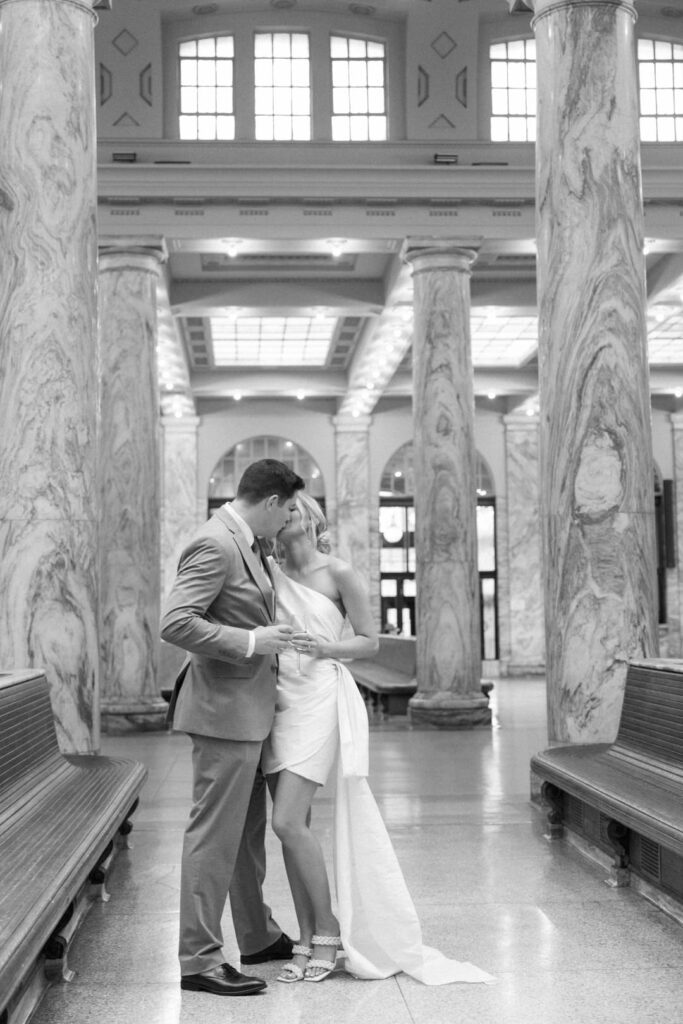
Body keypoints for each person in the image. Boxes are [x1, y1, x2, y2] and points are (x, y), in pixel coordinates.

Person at [261, 493, 495, 987]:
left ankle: (328, 929)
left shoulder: (339, 573)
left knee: (285, 820)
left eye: (296, 510)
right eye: (282, 511)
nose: (289, 517)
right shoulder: (268, 573)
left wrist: (326, 647)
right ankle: (305, 937)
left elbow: (369, 641)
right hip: (278, 698)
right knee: (291, 825)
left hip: (320, 695)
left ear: (312, 518)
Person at [161, 458, 304, 997]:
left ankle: (257, 934)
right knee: (213, 837)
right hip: (223, 712)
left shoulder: (246, 542)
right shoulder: (216, 543)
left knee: (245, 836)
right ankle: (197, 959)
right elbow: (176, 622)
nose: (289, 520)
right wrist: (251, 642)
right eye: (288, 509)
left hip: (248, 711)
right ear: (269, 502)